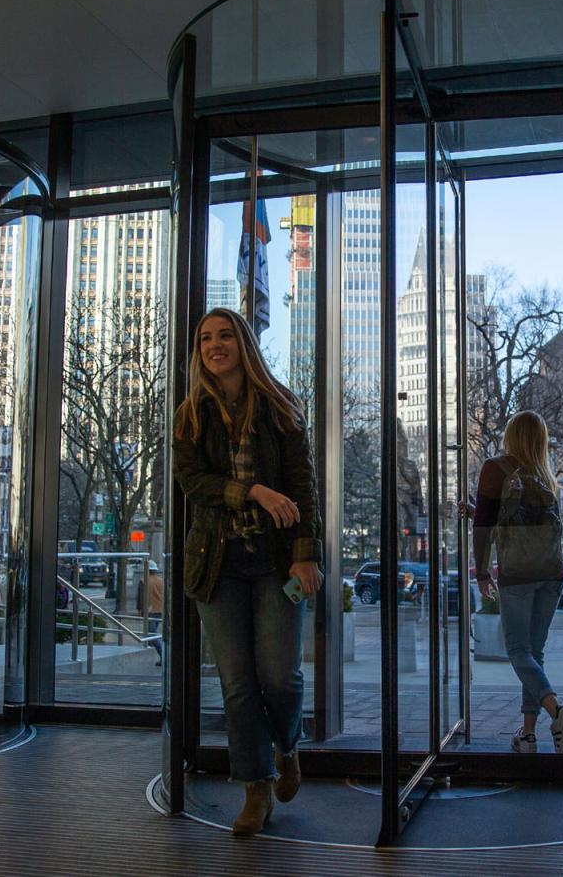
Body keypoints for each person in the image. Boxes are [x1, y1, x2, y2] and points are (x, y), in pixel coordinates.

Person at [172, 307, 322, 836]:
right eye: (206, 338)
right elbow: (196, 485)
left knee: (280, 676)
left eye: (225, 335)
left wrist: (307, 553)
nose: (215, 345)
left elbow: (304, 488)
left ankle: (288, 746)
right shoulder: (191, 414)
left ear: (243, 345)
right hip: (218, 566)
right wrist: (254, 491)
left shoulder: (280, 406)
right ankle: (255, 788)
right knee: (237, 685)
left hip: (277, 561)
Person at [472, 411, 563, 754]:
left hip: (517, 574)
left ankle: (557, 712)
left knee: (518, 651)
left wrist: (482, 570)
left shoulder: (495, 468)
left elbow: (485, 527)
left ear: (511, 436)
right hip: (553, 575)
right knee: (534, 653)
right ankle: (528, 735)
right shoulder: (546, 476)